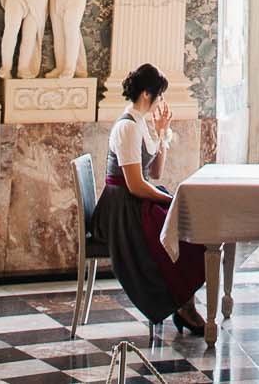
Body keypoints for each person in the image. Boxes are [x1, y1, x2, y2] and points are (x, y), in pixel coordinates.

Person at [91, 63, 208, 336]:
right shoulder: (127, 128)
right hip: (122, 209)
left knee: (186, 229)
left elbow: (155, 172)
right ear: (147, 94)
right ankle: (183, 306)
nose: (161, 101)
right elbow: (135, 185)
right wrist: (169, 200)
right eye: (160, 95)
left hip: (134, 200)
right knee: (178, 234)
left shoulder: (140, 123)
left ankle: (184, 303)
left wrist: (162, 132)